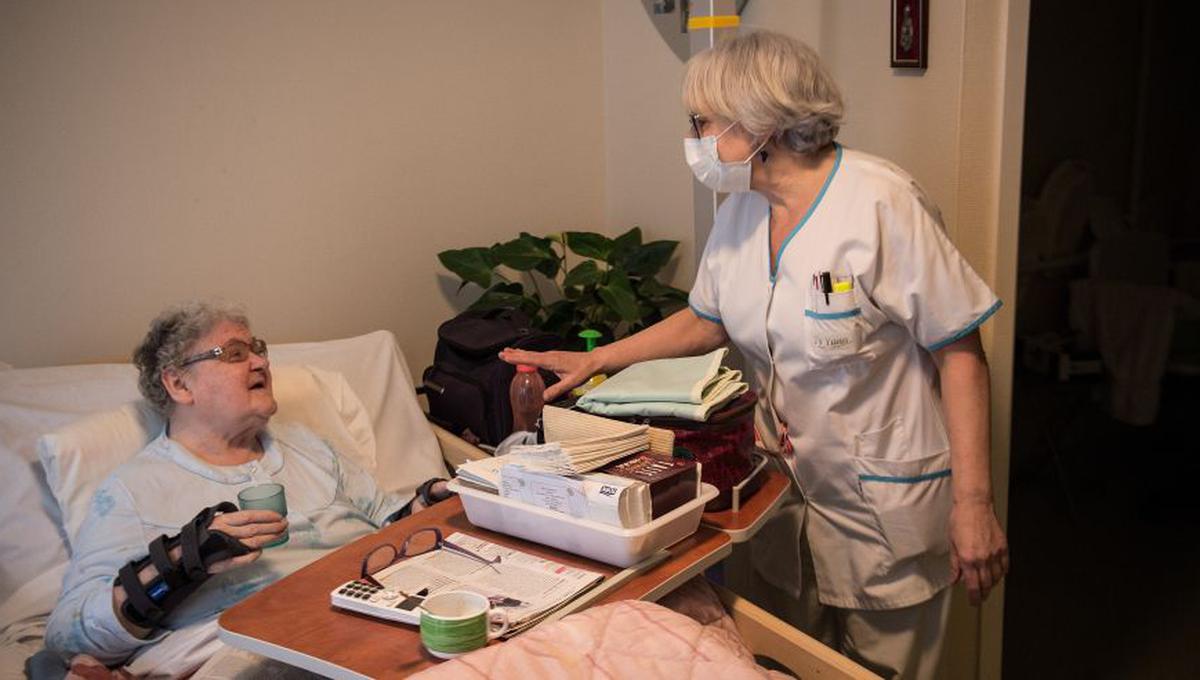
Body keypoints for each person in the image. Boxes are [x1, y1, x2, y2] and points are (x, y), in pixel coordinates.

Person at [501, 31, 1008, 679]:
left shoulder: (883, 205)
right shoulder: (741, 211)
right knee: (785, 662)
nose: (695, 138)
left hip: (886, 508)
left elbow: (959, 348)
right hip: (780, 494)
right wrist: (594, 360)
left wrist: (973, 504)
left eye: (702, 121)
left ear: (760, 120)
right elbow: (707, 320)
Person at [44, 301, 450, 677]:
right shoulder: (134, 489)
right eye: (235, 354)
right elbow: (68, 638)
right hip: (258, 652)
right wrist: (182, 560)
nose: (261, 361)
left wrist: (430, 504)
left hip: (379, 615)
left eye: (257, 348)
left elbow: (388, 522)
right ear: (179, 385)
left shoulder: (309, 446)